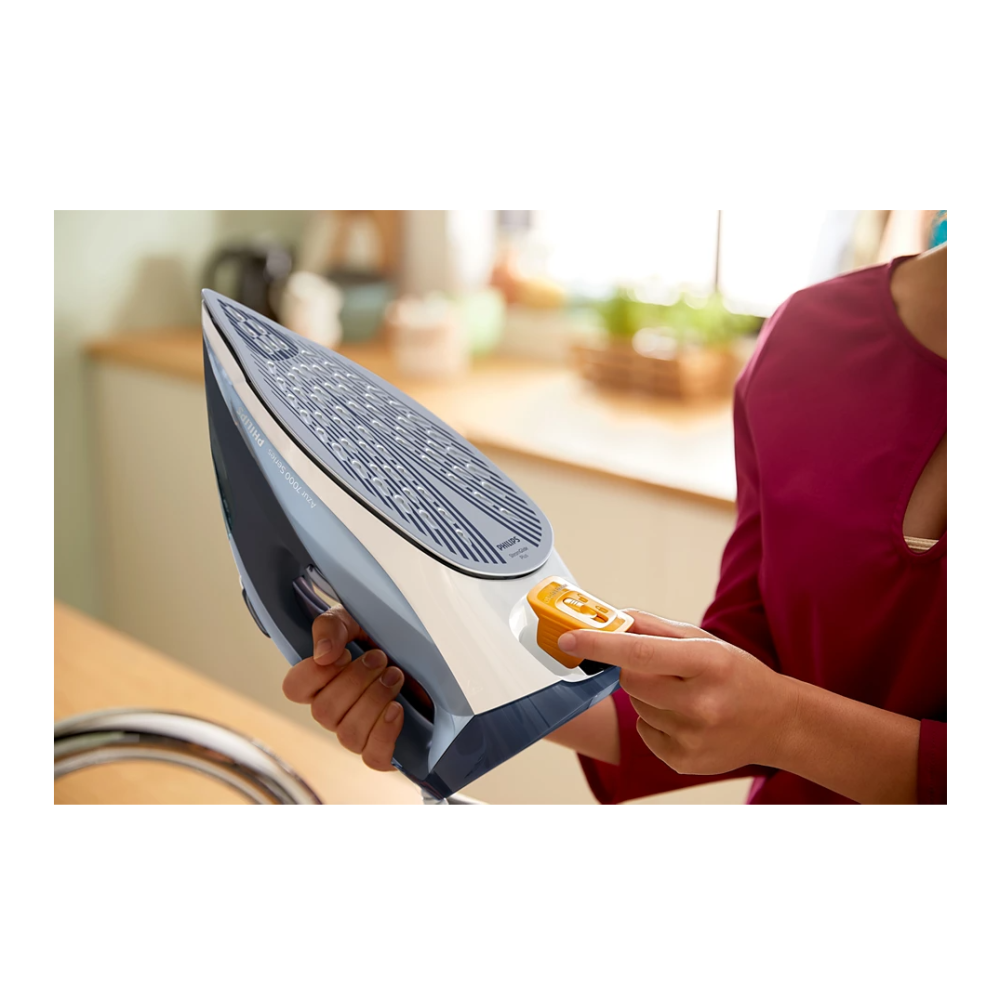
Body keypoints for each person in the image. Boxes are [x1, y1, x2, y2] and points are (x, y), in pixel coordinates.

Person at [282, 242, 947, 804]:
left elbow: (772, 709)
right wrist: (446, 665)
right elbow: (742, 674)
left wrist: (788, 724)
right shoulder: (810, 337)